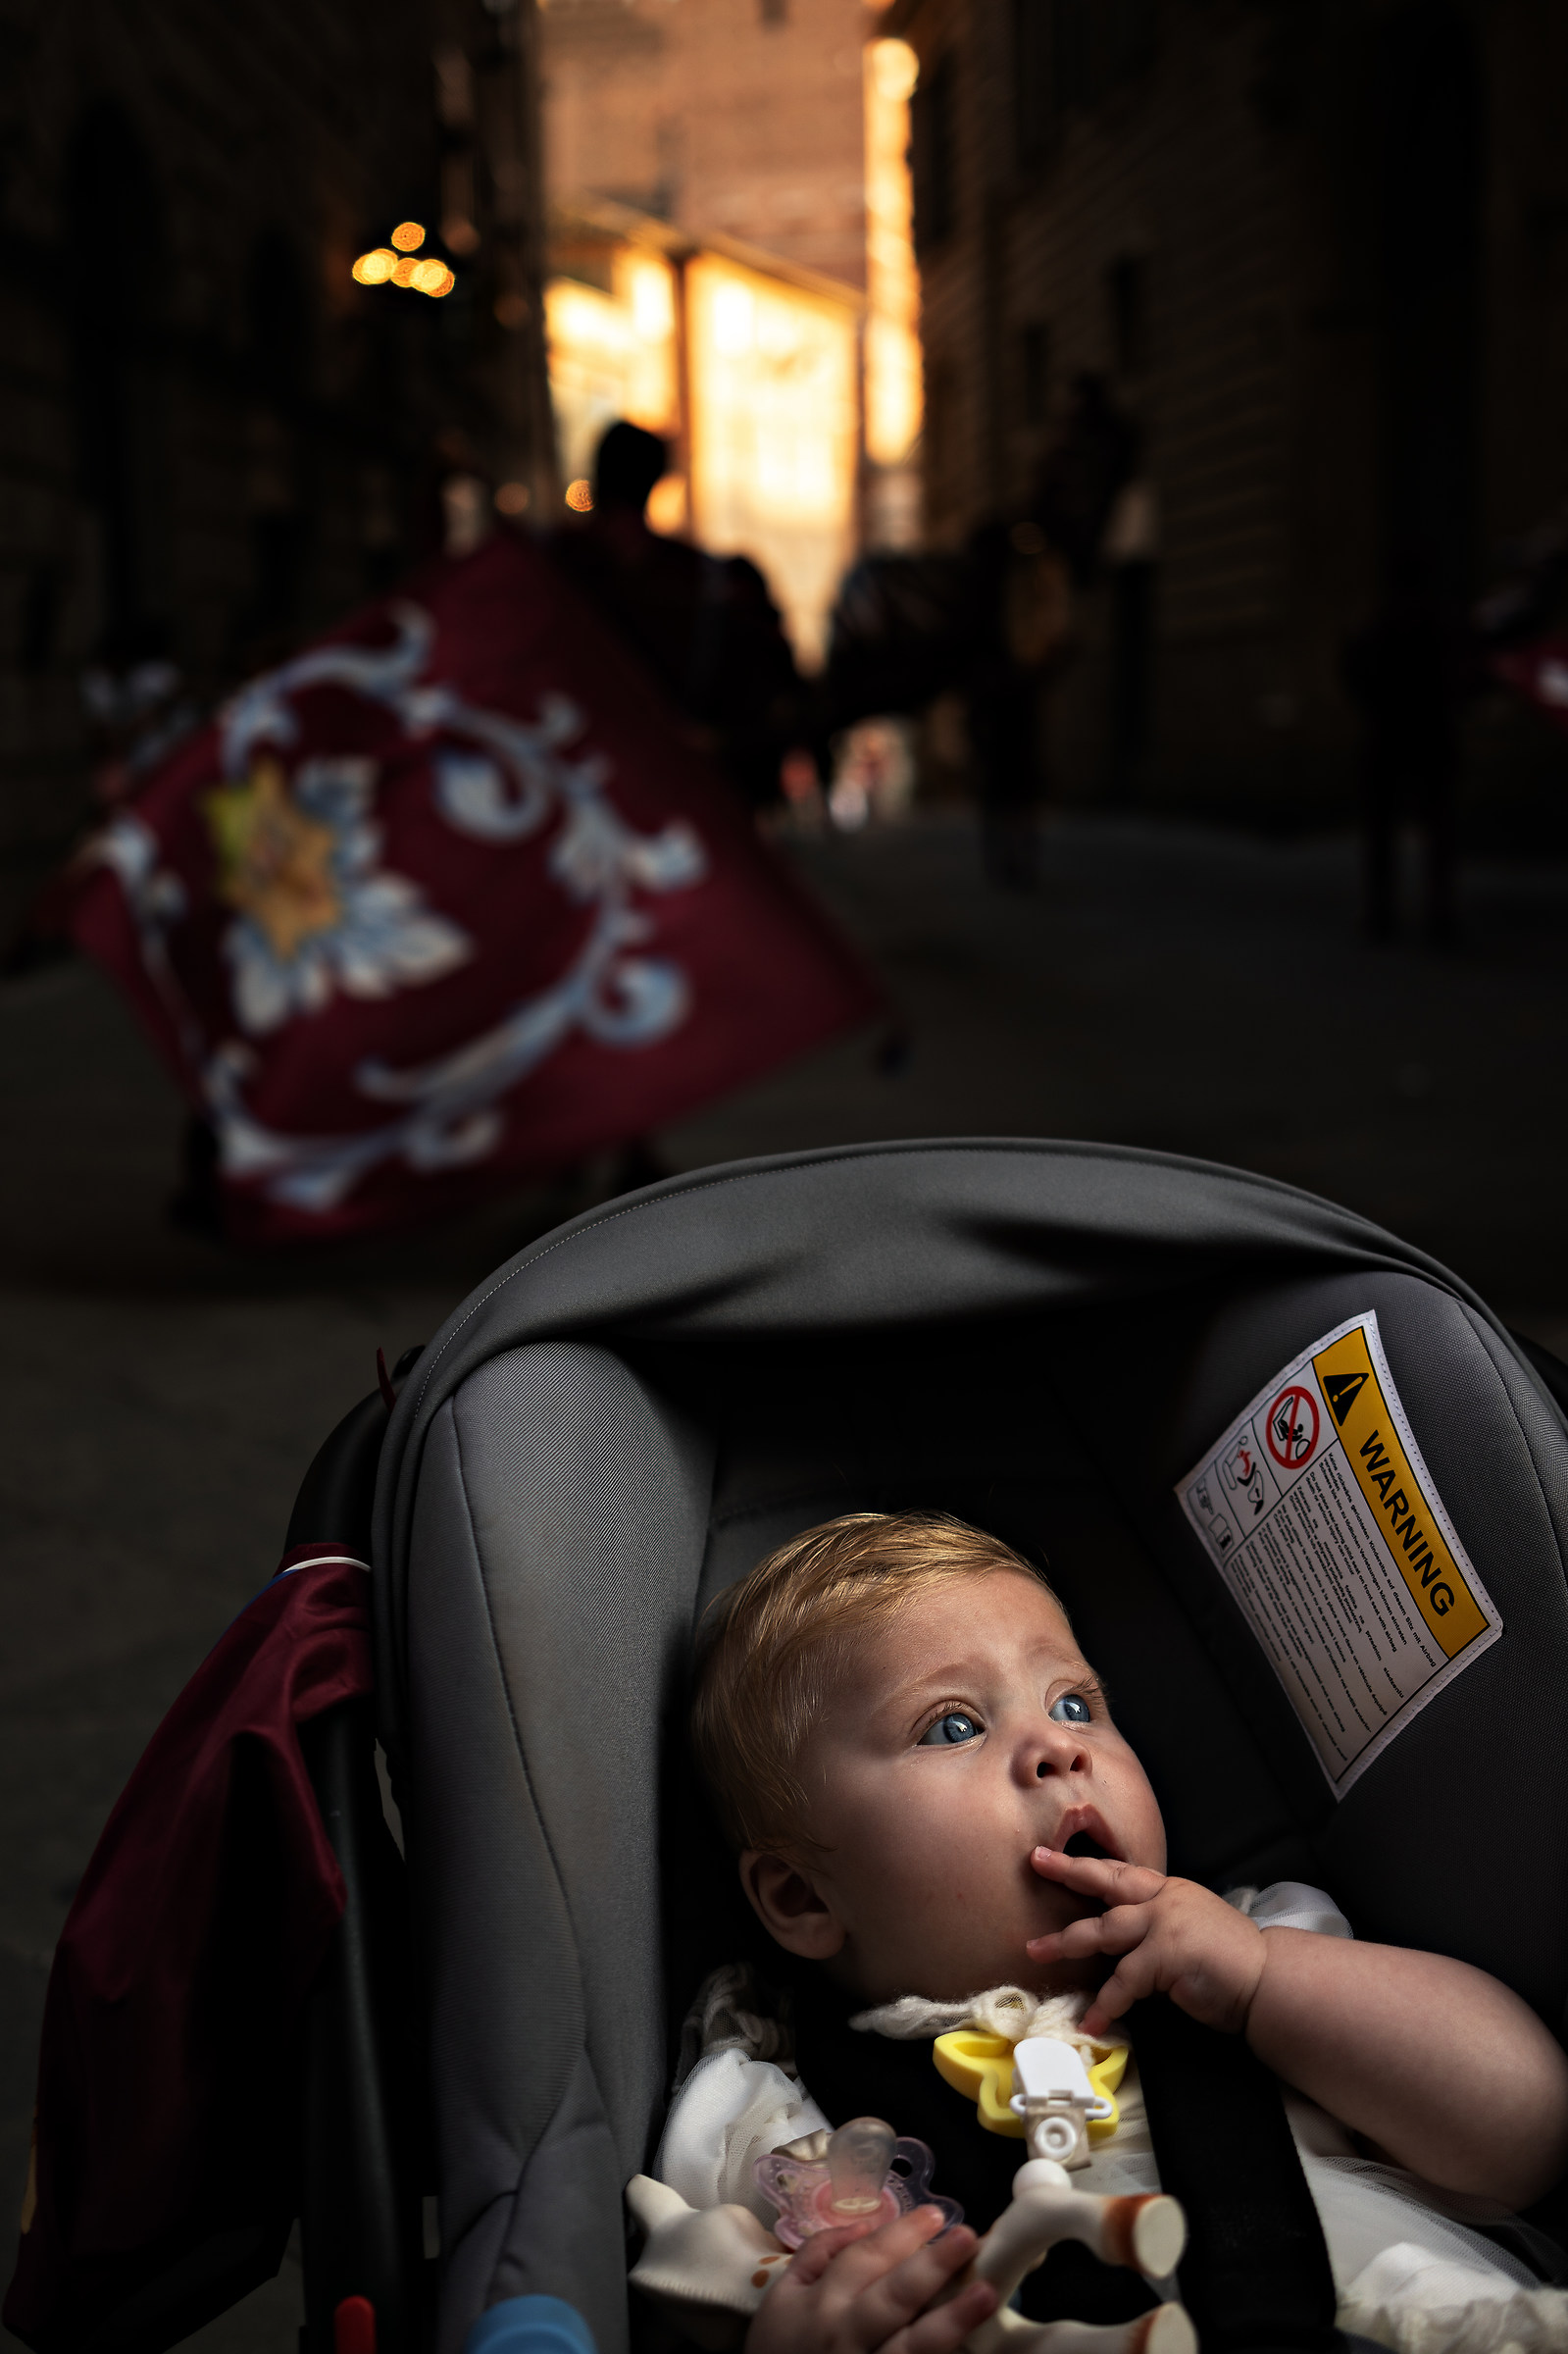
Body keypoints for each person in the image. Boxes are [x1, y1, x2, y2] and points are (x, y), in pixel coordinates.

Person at [659, 1511, 1568, 2354]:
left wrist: (1259, 1984)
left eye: (1071, 1705)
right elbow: (695, 2306)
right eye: (953, 1725)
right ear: (801, 1896)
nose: (1060, 1750)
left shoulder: (1255, 1961)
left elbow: (1523, 2134)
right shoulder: (774, 2114)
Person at [546, 421, 813, 810]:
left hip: (568, 798)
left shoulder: (547, 570)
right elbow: (770, 700)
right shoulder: (714, 584)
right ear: (657, 483)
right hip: (677, 805)